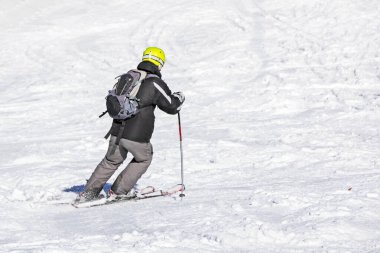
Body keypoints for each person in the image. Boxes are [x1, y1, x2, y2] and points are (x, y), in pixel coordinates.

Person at [77, 47, 185, 202]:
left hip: (116, 131)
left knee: (111, 160)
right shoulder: (155, 82)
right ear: (160, 63)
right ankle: (118, 191)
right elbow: (171, 106)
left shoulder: (129, 77)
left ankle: (88, 193)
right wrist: (179, 97)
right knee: (144, 158)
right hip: (137, 134)